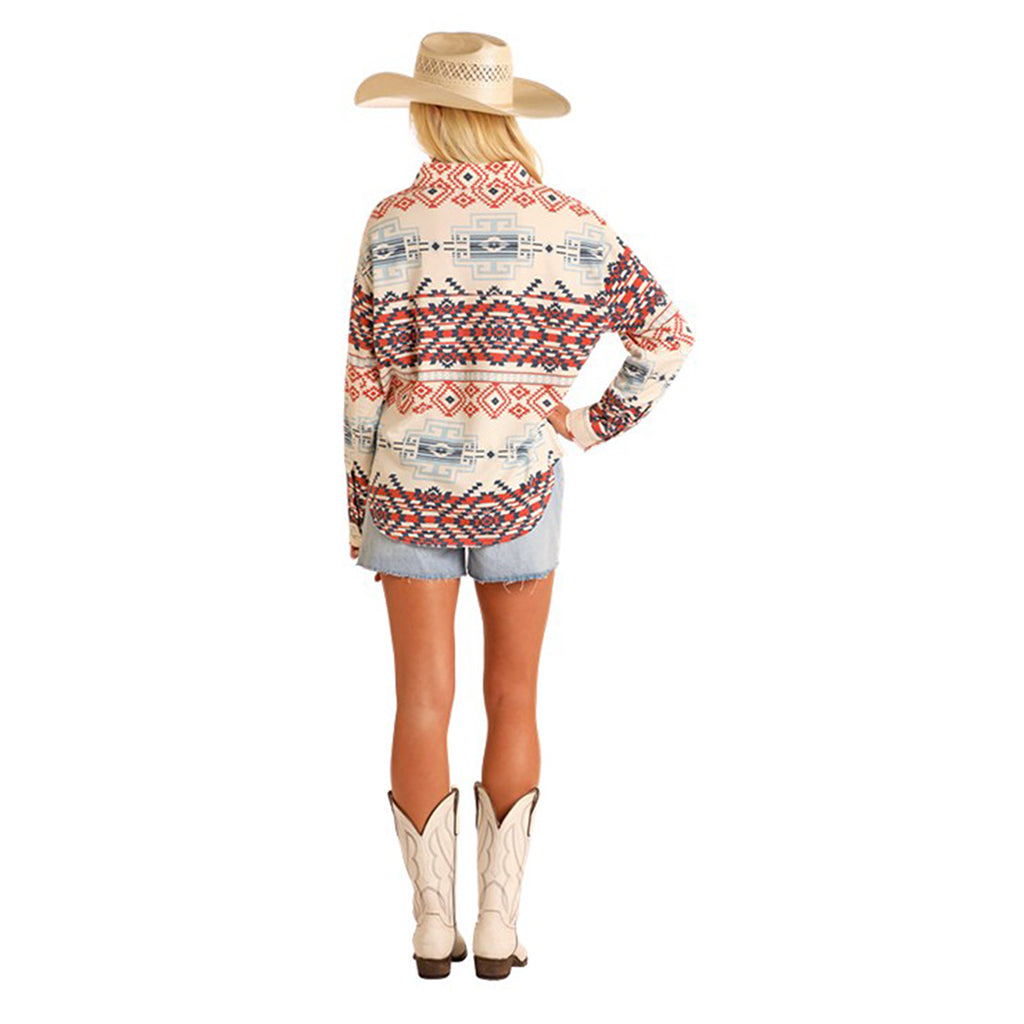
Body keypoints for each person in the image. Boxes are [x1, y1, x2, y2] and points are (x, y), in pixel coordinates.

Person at [347, 31, 695, 980]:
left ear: (428, 111)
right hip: (522, 490)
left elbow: (363, 383)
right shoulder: (573, 225)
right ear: (503, 113)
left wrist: (359, 514)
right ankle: (498, 927)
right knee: (514, 699)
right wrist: (587, 423)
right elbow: (666, 337)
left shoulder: (391, 223)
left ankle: (432, 928)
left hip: (406, 494)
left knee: (421, 701)